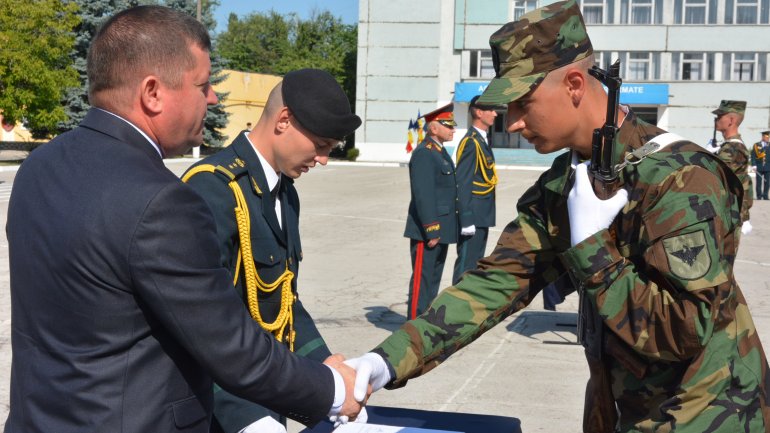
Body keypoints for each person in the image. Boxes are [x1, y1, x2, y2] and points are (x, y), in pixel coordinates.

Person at [346, 1, 770, 432]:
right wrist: (383, 363)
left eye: (522, 103)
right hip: (620, 408)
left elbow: (682, 332)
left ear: (573, 84)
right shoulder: (565, 182)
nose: (511, 123)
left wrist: (593, 252)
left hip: (709, 413)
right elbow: (495, 283)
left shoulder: (682, 179)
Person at [4, 6, 361, 433]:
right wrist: (332, 389)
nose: (211, 99)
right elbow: (228, 345)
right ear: (153, 92)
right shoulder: (161, 200)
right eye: (203, 85)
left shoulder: (39, 166)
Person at [182, 69, 361, 433]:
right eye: (322, 144)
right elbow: (198, 326)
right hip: (222, 411)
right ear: (283, 121)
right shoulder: (212, 190)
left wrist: (323, 364)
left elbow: (283, 300)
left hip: (269, 392)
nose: (324, 159)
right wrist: (249, 420)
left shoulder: (284, 192)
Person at [404, 103, 464, 320]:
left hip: (442, 227)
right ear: (433, 128)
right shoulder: (424, 153)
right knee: (423, 281)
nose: (452, 129)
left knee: (433, 280)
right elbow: (424, 194)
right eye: (447, 125)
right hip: (428, 229)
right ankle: (412, 327)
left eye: (452, 125)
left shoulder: (439, 152)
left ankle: (425, 323)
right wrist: (432, 228)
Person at [452, 95, 498, 285]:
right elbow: (462, 182)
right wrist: (466, 219)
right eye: (492, 110)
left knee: (475, 266)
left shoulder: (482, 140)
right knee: (466, 267)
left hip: (482, 215)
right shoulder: (471, 142)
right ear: (479, 113)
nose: (496, 114)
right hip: (473, 216)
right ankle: (453, 310)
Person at [713, 100, 753, 234]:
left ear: (731, 120)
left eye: (719, 116)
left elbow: (715, 177)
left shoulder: (733, 148)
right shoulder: (730, 146)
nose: (716, 120)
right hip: (728, 211)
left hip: (728, 213)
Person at [752, 130, 770, 200]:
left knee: (767, 182)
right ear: (763, 137)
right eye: (766, 137)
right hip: (759, 166)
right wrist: (754, 164)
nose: (768, 138)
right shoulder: (756, 145)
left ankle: (765, 195)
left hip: (768, 166)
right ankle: (759, 196)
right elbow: (753, 155)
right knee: (758, 182)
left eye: (768, 137)